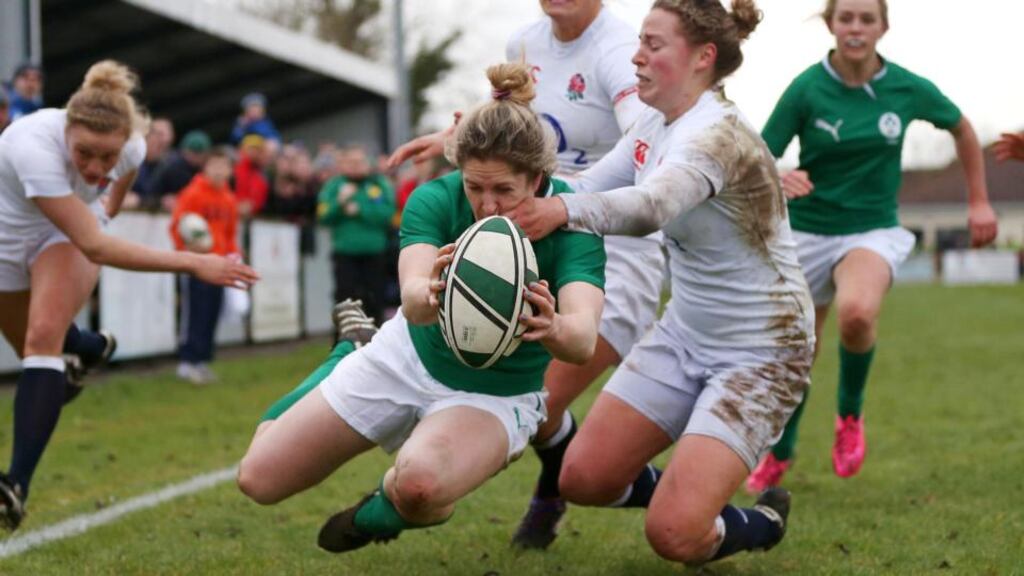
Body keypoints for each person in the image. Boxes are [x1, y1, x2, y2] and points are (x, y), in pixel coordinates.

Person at [236, 63, 606, 555]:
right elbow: (412, 295)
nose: (487, 205)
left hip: (495, 394)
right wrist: (429, 289)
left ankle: (380, 509)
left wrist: (552, 324)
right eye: (475, 187)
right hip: (407, 355)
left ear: (537, 179)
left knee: (419, 488)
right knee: (258, 479)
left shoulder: (574, 223)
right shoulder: (435, 197)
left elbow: (581, 342)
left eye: (504, 190)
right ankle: (347, 355)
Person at [507, 0, 810, 566]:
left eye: (653, 45)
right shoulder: (653, 121)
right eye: (639, 41)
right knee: (583, 479)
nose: (636, 57)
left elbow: (651, 206)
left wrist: (559, 214)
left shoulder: (719, 136)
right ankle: (688, 497)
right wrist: (508, 187)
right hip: (684, 334)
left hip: (762, 350)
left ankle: (757, 522)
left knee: (672, 537)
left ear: (703, 57)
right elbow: (585, 185)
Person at [390, 0, 665, 550]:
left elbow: (647, 133)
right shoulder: (526, 39)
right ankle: (574, 491)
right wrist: (458, 142)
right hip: (520, 228)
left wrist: (566, 201)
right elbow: (507, 122)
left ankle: (560, 495)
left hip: (609, 242)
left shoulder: (616, 49)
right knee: (532, 404)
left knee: (536, 394)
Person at [745, 0, 999, 492]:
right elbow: (758, 154)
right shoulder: (806, 87)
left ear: (883, 27)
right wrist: (777, 173)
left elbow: (962, 127)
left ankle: (849, 417)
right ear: (831, 25)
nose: (856, 27)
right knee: (799, 352)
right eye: (846, 18)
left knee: (858, 313)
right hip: (807, 230)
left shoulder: (905, 87)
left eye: (867, 18)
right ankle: (781, 452)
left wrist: (981, 201)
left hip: (872, 228)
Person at [0, 60, 258, 531]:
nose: (97, 167)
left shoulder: (132, 145)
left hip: (64, 237)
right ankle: (90, 346)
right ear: (66, 131)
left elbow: (97, 227)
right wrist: (197, 261)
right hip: (7, 239)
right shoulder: (32, 145)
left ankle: (13, 487)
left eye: (107, 156)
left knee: (41, 340)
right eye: (85, 154)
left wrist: (104, 210)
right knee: (30, 346)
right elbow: (98, 245)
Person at [169, 147, 241, 385]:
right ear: (205, 168)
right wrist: (187, 253)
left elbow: (230, 233)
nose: (220, 171)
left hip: (219, 264)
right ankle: (187, 361)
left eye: (224, 166)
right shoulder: (193, 194)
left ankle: (202, 360)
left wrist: (234, 255)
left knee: (212, 312)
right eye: (215, 165)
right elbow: (178, 225)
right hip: (197, 264)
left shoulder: (229, 199)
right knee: (195, 312)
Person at [317, 145, 396, 323]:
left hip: (374, 253)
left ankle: (376, 343)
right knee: (344, 300)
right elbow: (323, 216)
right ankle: (343, 344)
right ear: (342, 164)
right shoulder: (334, 185)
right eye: (351, 162)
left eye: (359, 161)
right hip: (345, 254)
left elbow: (388, 214)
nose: (355, 166)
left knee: (375, 300)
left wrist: (360, 210)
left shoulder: (378, 184)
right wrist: (340, 202)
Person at [145, 129, 212, 212]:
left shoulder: (209, 171)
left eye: (199, 153)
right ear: (184, 151)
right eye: (193, 152)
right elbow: (149, 194)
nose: (196, 158)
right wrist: (161, 201)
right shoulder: (170, 167)